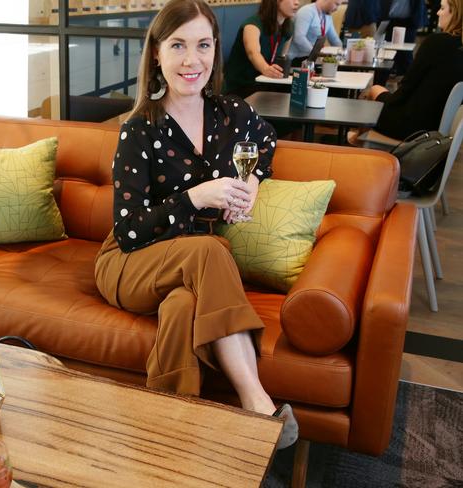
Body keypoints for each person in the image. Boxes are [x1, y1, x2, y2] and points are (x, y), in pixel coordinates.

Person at [94, 0, 298, 449]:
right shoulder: (139, 129)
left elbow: (267, 141)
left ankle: (168, 434)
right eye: (178, 45)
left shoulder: (231, 114)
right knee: (212, 250)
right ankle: (256, 403)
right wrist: (194, 198)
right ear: (157, 55)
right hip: (130, 262)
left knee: (185, 307)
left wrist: (255, 181)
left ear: (215, 51)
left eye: (203, 45)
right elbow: (130, 232)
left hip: (192, 268)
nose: (192, 60)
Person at [362, 0, 463, 140]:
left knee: (375, 89)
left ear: (456, 13)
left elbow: (405, 90)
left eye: (442, 8)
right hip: (440, 131)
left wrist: (384, 96)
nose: (438, 12)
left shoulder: (436, 43)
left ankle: (360, 146)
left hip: (411, 128)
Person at [223, 0, 299, 98]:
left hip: (267, 83)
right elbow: (253, 53)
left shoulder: (289, 26)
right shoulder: (252, 24)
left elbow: (282, 57)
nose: (297, 3)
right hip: (242, 86)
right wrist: (266, 69)